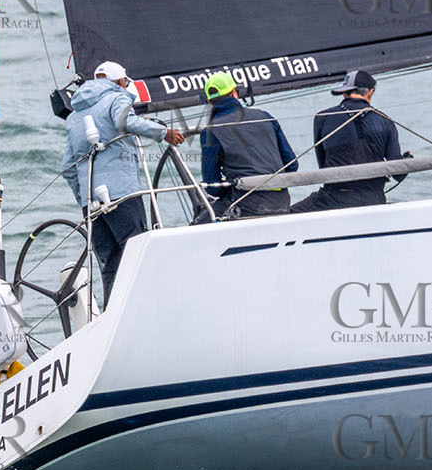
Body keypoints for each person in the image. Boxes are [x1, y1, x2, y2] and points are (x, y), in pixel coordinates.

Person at [60, 61, 185, 303]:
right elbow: (125, 122)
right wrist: (164, 133)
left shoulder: (74, 116)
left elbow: (68, 168)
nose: (126, 86)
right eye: (125, 82)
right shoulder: (116, 97)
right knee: (137, 252)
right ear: (119, 82)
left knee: (110, 264)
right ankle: (146, 309)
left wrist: (85, 198)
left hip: (91, 203)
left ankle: (113, 315)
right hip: (121, 194)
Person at [290, 69, 410, 213]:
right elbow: (398, 174)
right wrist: (407, 160)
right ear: (370, 92)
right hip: (374, 200)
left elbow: (323, 168)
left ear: (344, 92)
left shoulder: (323, 117)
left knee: (284, 215)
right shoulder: (385, 121)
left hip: (333, 199)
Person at [198, 71, 298, 217]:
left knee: (198, 224)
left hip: (245, 205)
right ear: (234, 93)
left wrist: (235, 186)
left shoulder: (211, 131)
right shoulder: (265, 117)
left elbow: (212, 186)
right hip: (281, 203)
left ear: (210, 102)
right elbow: (292, 165)